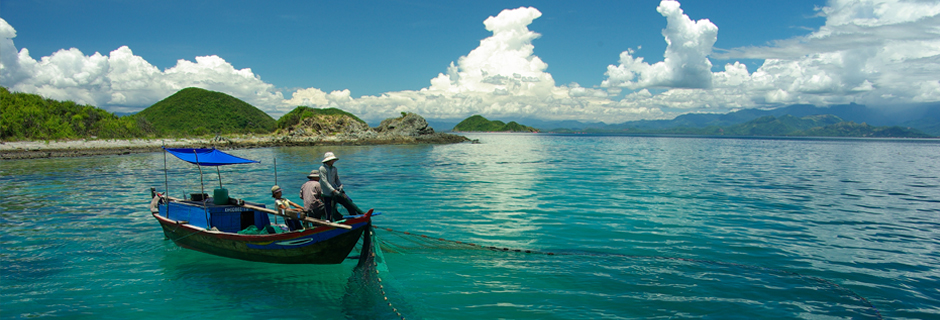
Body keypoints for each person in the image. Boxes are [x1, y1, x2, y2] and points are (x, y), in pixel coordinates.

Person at [319, 151, 365, 221]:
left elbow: (336, 179)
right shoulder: (322, 169)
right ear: (328, 161)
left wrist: (340, 185)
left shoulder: (334, 169)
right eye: (332, 160)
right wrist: (333, 190)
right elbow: (324, 182)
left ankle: (354, 217)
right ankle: (329, 221)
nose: (333, 161)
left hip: (336, 191)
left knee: (347, 203)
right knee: (329, 208)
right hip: (327, 193)